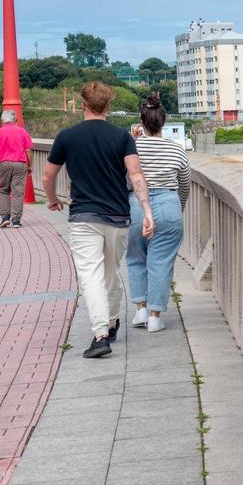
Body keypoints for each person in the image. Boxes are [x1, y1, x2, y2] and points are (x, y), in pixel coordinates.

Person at [43, 82, 154, 359]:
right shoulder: (122, 137)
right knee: (110, 272)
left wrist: (52, 199)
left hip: (83, 216)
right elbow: (136, 176)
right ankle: (111, 322)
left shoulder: (67, 137)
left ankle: (101, 334)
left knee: (91, 275)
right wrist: (147, 210)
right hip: (118, 216)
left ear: (82, 105)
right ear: (108, 106)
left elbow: (48, 175)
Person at [126, 93, 189, 332]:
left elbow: (125, 178)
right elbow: (184, 183)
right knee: (160, 261)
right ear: (163, 123)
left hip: (135, 204)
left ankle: (140, 310)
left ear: (141, 122)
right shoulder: (176, 149)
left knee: (135, 258)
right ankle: (155, 316)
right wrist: (178, 207)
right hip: (168, 203)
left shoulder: (131, 147)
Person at [0, 110, 33, 229]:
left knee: (3, 191)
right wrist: (29, 165)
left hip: (3, 164)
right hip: (19, 164)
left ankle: (5, 218)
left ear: (3, 120)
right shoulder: (22, 131)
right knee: (18, 192)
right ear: (16, 120)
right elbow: (28, 150)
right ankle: (16, 220)